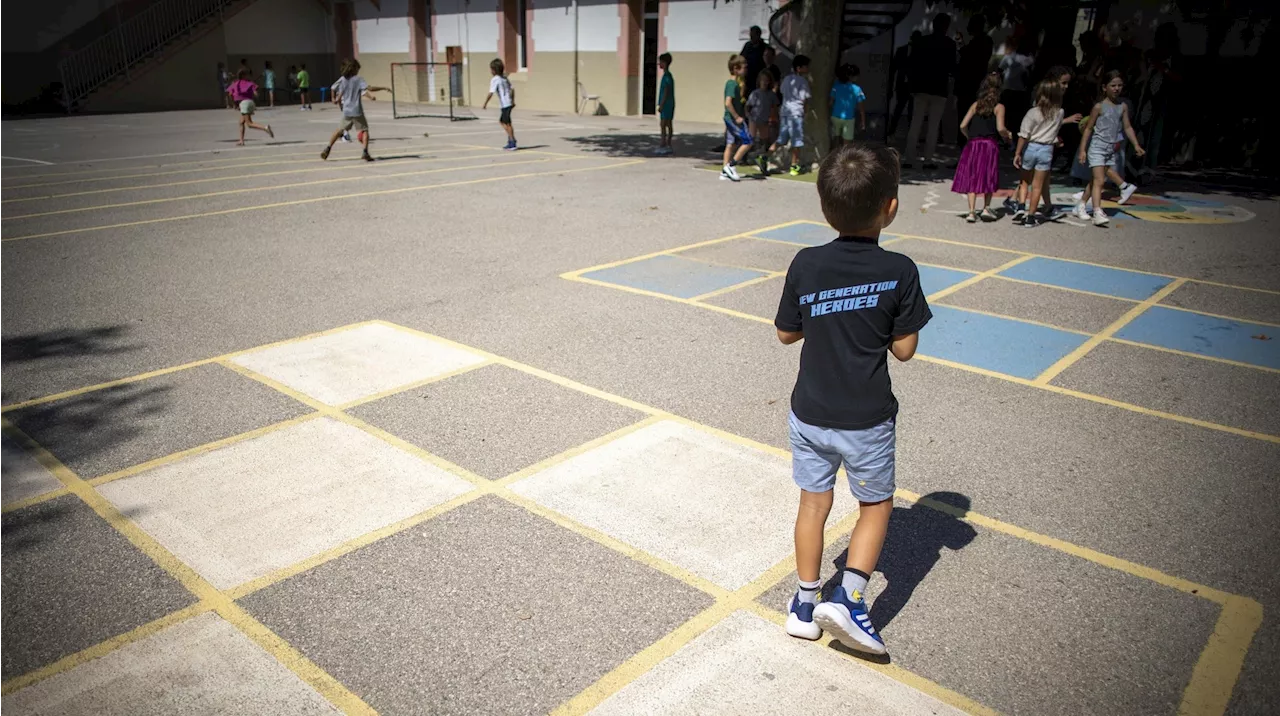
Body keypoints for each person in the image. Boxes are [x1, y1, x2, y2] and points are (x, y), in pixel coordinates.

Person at [774, 142, 931, 654]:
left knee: (813, 503)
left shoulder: (806, 263)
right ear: (891, 207)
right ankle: (850, 598)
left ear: (825, 207)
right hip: (865, 417)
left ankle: (803, 603)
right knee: (875, 505)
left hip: (811, 410)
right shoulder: (900, 269)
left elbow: (785, 333)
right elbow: (905, 349)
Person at [1076, 70, 1145, 227]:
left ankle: (1081, 205)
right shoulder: (1099, 107)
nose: (1116, 88)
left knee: (1095, 180)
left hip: (1111, 148)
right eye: (1113, 85)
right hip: (1097, 147)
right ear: (1104, 87)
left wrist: (1136, 145)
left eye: (1119, 85)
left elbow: (1127, 127)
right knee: (1100, 180)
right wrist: (1082, 149)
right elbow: (1088, 129)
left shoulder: (1123, 107)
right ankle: (1097, 211)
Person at [952, 72, 1011, 222]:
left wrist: (969, 136)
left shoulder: (976, 105)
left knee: (972, 176)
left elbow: (963, 125)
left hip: (973, 144)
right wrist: (1007, 135)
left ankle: (971, 211)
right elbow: (1000, 128)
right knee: (988, 175)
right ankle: (986, 208)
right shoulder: (999, 107)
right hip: (989, 145)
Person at [903, 13, 956, 168]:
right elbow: (952, 68)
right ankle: (928, 160)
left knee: (915, 123)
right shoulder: (949, 44)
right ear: (946, 26)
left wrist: (912, 85)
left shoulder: (922, 42)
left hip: (921, 87)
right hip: (939, 89)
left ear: (933, 25)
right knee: (933, 126)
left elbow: (912, 64)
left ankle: (909, 158)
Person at [1012, 79, 1065, 227]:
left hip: (1032, 147)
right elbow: (1054, 130)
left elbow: (1024, 134)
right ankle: (1030, 217)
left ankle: (1021, 206)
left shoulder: (1033, 112)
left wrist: (1017, 153)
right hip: (1047, 149)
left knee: (1024, 181)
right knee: (1038, 185)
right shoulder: (1060, 112)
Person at [321, 59, 387, 161]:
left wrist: (335, 99)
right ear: (353, 69)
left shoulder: (343, 79)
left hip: (346, 110)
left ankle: (328, 148)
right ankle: (365, 152)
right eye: (357, 69)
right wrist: (383, 87)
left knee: (339, 130)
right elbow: (369, 88)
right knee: (364, 131)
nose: (358, 71)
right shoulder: (359, 79)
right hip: (357, 110)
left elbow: (337, 91)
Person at [768, 54, 811, 177]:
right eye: (805, 67)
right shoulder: (803, 81)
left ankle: (765, 156)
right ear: (799, 68)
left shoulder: (786, 79)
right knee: (796, 142)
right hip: (796, 113)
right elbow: (805, 100)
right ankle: (794, 166)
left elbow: (781, 91)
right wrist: (805, 113)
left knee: (781, 139)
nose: (807, 69)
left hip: (785, 112)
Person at [955, 15, 993, 147]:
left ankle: (966, 146)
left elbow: (968, 56)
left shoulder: (981, 42)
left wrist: (961, 43)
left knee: (967, 117)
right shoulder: (984, 42)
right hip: (973, 85)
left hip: (970, 85)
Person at [720, 54, 753, 181]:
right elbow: (728, 103)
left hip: (731, 118)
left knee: (731, 144)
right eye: (743, 68)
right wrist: (737, 117)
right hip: (732, 119)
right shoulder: (732, 84)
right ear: (735, 68)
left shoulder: (734, 84)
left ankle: (724, 171)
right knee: (748, 141)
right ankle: (731, 165)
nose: (746, 70)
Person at [999, 35, 1036, 134]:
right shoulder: (1010, 56)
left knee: (1016, 116)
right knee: (1005, 114)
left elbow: (1031, 76)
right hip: (1008, 89)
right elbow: (1000, 70)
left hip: (1020, 92)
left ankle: (1013, 135)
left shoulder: (1030, 59)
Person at [226, 69, 273, 146]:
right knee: (241, 122)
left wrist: (234, 104)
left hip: (244, 103)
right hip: (250, 102)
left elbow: (230, 94)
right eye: (247, 74)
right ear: (243, 76)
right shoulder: (250, 83)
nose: (249, 76)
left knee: (249, 124)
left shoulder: (235, 83)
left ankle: (265, 128)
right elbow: (256, 94)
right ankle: (241, 140)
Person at [887, 31, 920, 138]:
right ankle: (892, 130)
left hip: (913, 86)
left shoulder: (919, 52)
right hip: (902, 85)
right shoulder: (902, 50)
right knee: (899, 108)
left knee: (911, 110)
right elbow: (893, 69)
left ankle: (910, 133)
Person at [747, 70, 779, 173]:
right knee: (751, 139)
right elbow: (748, 106)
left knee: (764, 141)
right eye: (763, 80)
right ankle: (747, 157)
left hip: (765, 121)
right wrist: (748, 116)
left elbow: (774, 107)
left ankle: (762, 160)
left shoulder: (771, 94)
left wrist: (774, 118)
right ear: (759, 81)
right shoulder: (755, 93)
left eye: (767, 81)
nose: (765, 83)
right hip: (755, 119)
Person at [829, 64, 867, 150]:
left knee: (835, 140)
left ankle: (833, 158)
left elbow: (830, 102)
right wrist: (863, 122)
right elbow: (861, 108)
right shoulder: (857, 89)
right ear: (852, 76)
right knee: (847, 144)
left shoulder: (836, 86)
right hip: (849, 119)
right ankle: (844, 161)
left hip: (835, 116)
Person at [483, 58, 517, 150]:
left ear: (494, 70)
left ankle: (512, 141)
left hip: (505, 104)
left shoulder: (495, 79)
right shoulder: (505, 78)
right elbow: (512, 89)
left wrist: (485, 103)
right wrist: (513, 101)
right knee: (502, 121)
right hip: (508, 103)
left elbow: (491, 92)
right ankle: (510, 139)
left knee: (507, 123)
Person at [655, 52, 675, 155]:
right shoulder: (666, 75)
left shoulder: (667, 76)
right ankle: (666, 144)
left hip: (667, 104)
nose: (659, 64)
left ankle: (666, 144)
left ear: (665, 63)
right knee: (666, 124)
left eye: (661, 62)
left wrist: (661, 104)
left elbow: (666, 92)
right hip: (667, 103)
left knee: (665, 124)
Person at [740, 25, 768, 96]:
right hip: (748, 78)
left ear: (758, 35)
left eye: (753, 35)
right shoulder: (748, 46)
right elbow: (741, 58)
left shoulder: (764, 47)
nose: (751, 37)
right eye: (750, 35)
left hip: (760, 77)